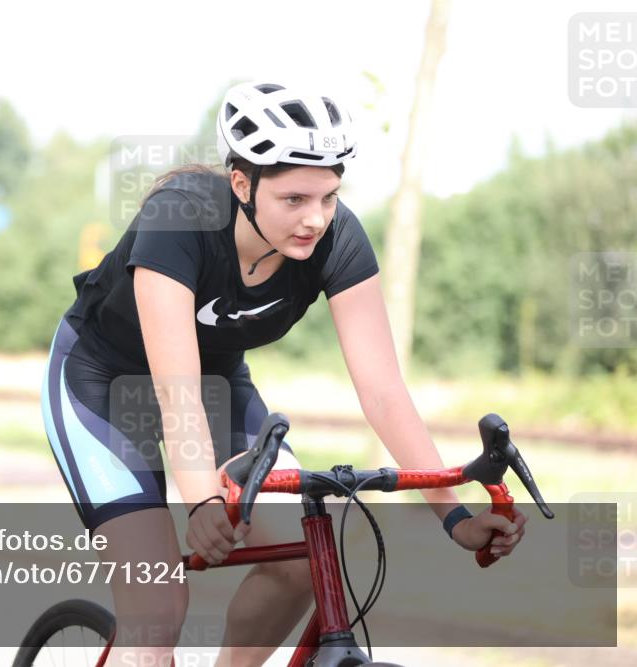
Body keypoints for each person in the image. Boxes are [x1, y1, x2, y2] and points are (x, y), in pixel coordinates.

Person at [40, 81, 528, 667]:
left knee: (303, 564)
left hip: (217, 388)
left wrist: (454, 518)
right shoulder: (181, 219)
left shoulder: (338, 238)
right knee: (157, 609)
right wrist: (199, 504)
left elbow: (383, 391)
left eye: (328, 197)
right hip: (101, 387)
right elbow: (176, 393)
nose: (316, 219)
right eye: (294, 199)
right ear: (242, 184)